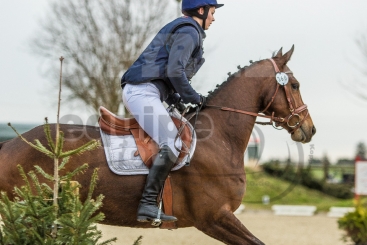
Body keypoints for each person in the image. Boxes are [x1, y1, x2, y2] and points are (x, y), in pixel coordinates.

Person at [121, 0, 224, 223]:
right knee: (172, 142)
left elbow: (167, 76)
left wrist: (177, 98)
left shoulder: (185, 29)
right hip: (142, 92)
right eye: (212, 13)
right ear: (201, 10)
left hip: (150, 91)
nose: (213, 18)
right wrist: (194, 97)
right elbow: (175, 72)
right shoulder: (190, 31)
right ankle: (147, 204)